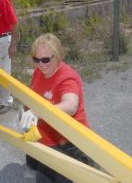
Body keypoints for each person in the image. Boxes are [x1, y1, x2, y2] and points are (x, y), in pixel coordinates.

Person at [20, 33, 93, 182]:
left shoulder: (67, 77)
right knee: (34, 165)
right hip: (42, 136)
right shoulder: (39, 72)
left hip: (68, 141)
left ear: (58, 55)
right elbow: (33, 96)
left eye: (46, 59)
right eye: (36, 59)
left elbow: (71, 105)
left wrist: (38, 112)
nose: (41, 64)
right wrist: (24, 112)